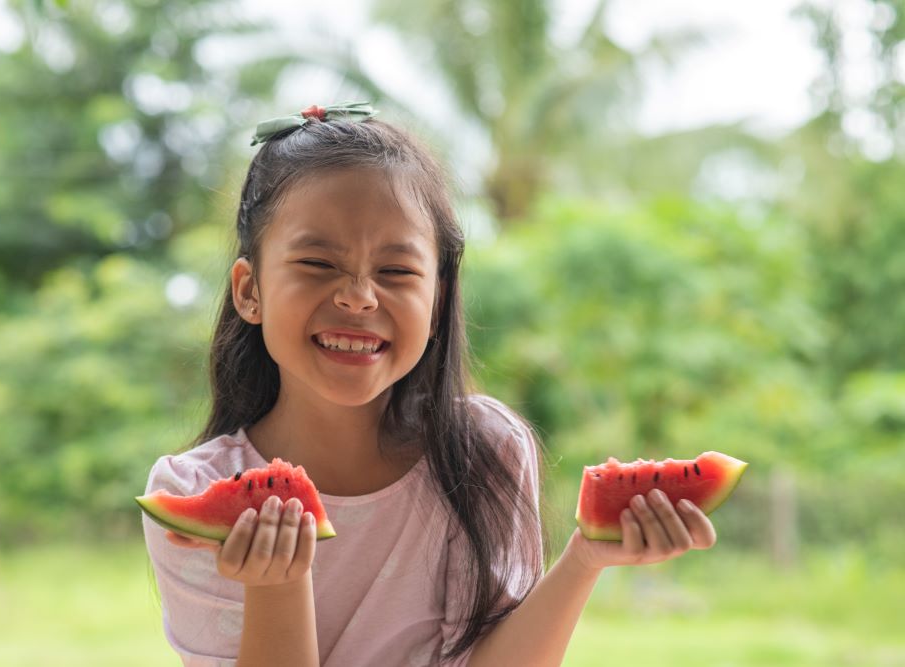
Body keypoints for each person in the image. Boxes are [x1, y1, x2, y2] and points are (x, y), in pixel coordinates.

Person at [141, 102, 718, 667]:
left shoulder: (483, 450)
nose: (359, 296)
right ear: (250, 291)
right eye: (317, 264)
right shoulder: (192, 490)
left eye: (396, 272)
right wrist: (277, 586)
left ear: (437, 302)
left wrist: (585, 560)